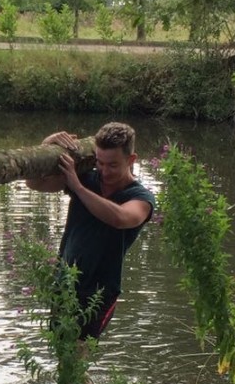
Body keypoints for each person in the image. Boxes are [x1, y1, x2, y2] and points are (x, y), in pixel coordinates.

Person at [25, 120, 155, 345]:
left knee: (76, 359)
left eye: (112, 165)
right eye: (100, 162)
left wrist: (77, 188)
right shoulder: (87, 178)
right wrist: (46, 145)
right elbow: (34, 183)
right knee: (64, 356)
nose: (104, 171)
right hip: (64, 283)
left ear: (131, 160)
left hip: (98, 294)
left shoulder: (141, 197)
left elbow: (120, 218)